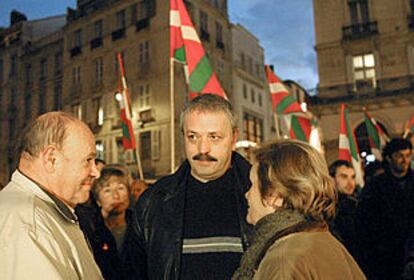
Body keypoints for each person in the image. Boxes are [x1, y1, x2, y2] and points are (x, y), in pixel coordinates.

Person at [131, 94, 252, 279]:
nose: (203, 149)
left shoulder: (263, 196)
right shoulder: (153, 201)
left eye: (214, 137)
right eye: (193, 137)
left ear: (234, 138)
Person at [233, 139, 365, 280]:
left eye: (252, 184)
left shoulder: (283, 259)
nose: (247, 194)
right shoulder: (322, 239)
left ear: (274, 195)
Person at [0, 111, 102, 279]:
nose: (95, 172)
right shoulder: (26, 226)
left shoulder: (39, 213)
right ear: (51, 159)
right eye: (88, 160)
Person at [356, 138, 414, 279]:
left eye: (408, 155)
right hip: (386, 259)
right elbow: (366, 222)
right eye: (400, 156)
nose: (404, 160)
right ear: (389, 158)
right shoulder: (376, 187)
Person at [85, 165, 138, 280]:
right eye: (107, 190)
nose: (116, 196)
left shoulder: (140, 226)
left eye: (121, 188)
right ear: (98, 200)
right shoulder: (89, 229)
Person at [328, 160, 359, 258]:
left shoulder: (357, 203)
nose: (350, 183)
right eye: (344, 177)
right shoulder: (328, 208)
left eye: (353, 177)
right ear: (332, 179)